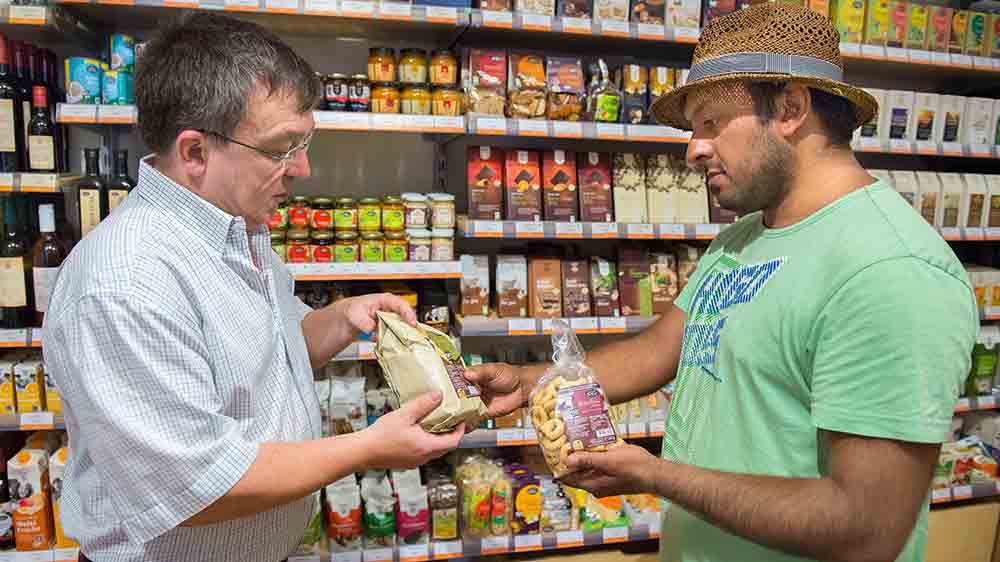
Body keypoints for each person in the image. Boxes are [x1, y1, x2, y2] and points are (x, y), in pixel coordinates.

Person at [466, 4, 977, 562]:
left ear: (790, 109)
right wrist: (531, 383)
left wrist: (656, 475)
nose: (693, 149)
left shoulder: (888, 272)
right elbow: (661, 350)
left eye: (710, 123)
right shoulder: (744, 238)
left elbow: (863, 528)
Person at [43, 13, 464, 562]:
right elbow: (196, 486)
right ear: (194, 152)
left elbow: (265, 356)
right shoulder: (126, 283)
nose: (303, 169)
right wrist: (366, 447)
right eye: (281, 148)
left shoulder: (238, 227)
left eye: (303, 142)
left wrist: (341, 318)